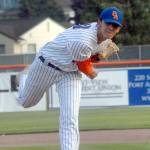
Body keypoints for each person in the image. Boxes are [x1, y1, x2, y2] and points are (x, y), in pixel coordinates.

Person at [17, 6, 123, 150]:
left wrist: (98, 56)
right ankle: (24, 80)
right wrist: (97, 65)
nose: (111, 27)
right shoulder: (84, 40)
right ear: (99, 22)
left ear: (119, 29)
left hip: (70, 72)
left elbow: (83, 60)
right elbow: (86, 69)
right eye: (108, 23)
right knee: (26, 102)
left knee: (70, 118)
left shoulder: (104, 39)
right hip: (47, 64)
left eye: (115, 26)